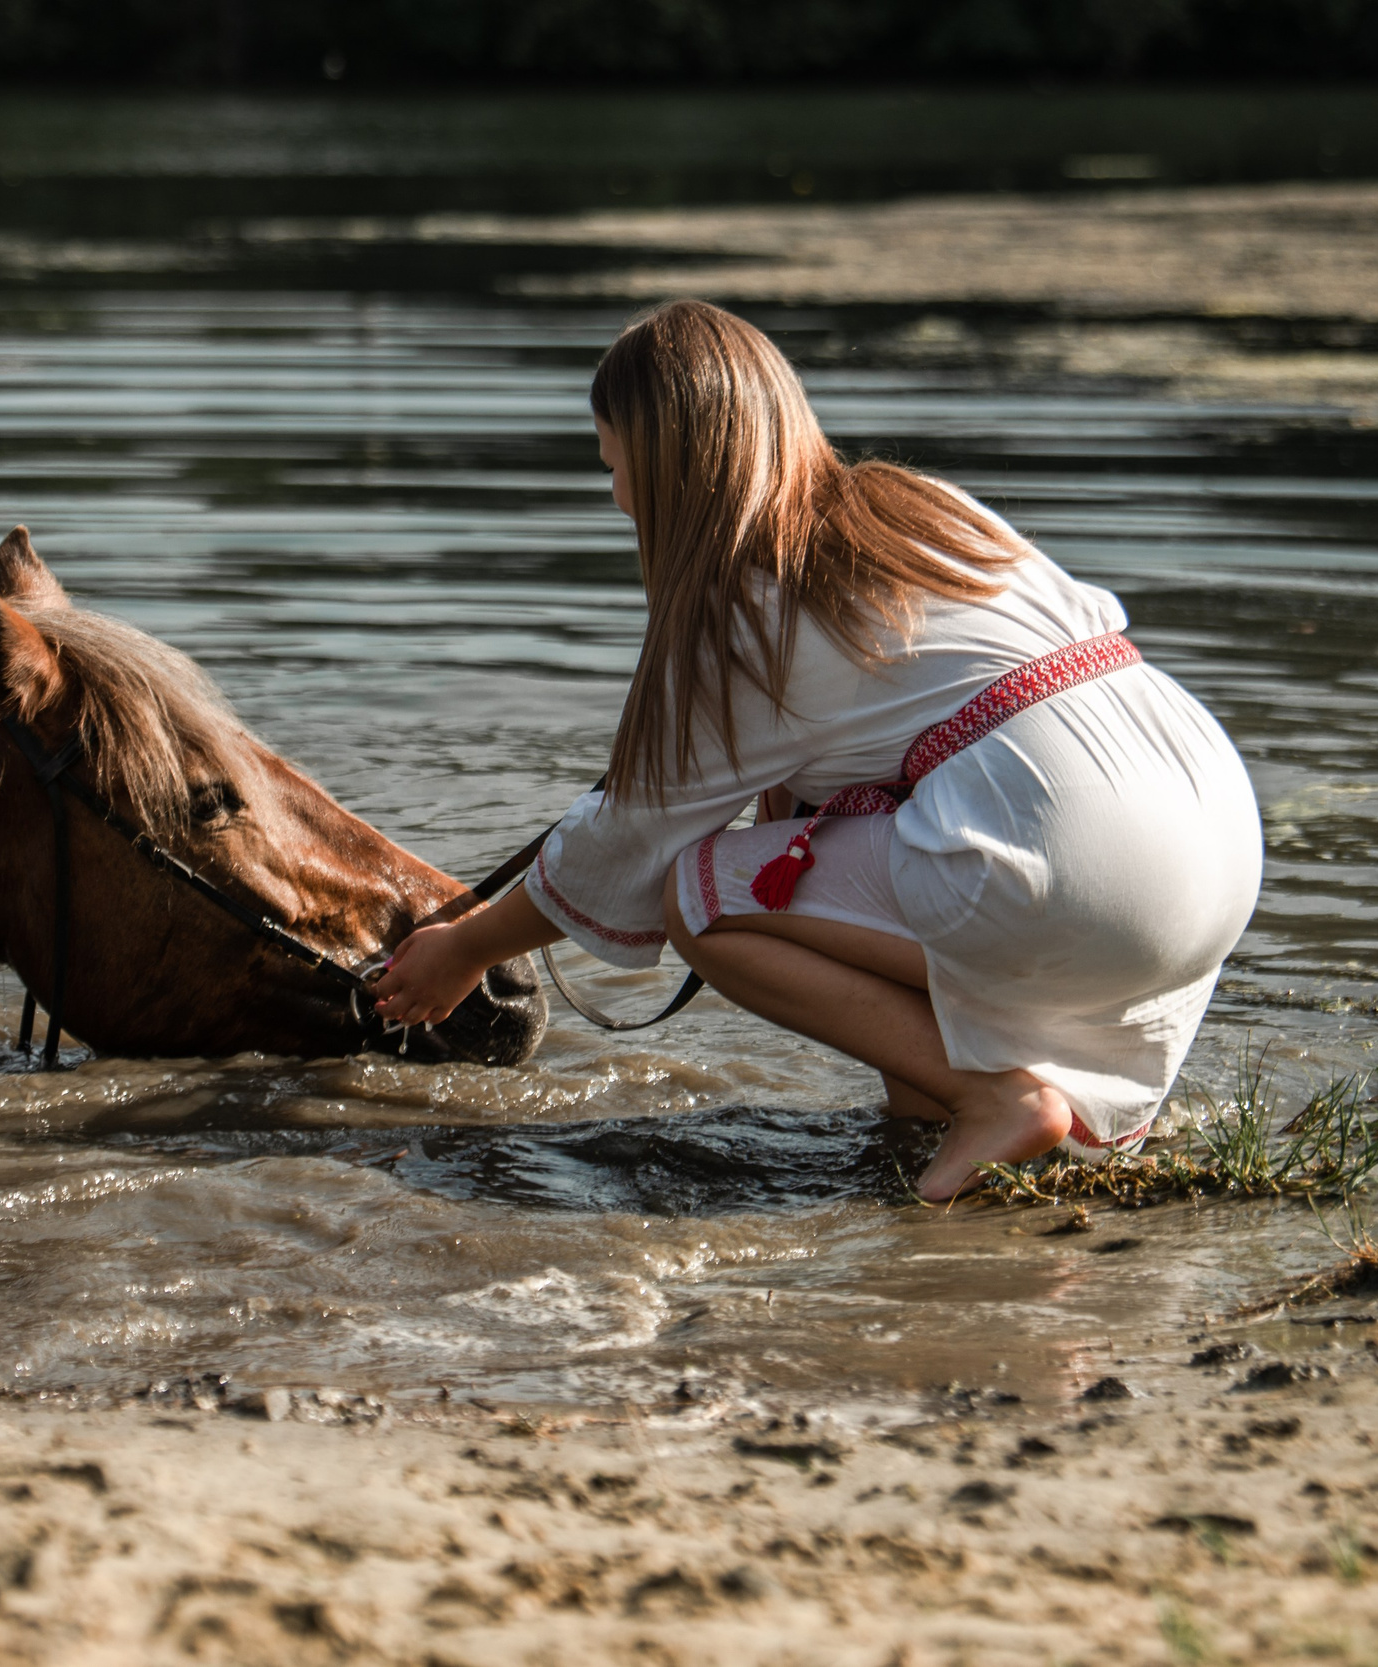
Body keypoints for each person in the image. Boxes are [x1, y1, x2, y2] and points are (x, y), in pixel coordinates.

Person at [370, 301, 1263, 1202]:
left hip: (1073, 864)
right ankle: (949, 1128)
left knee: (704, 893)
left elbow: (627, 837)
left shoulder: (749, 607)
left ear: (669, 466)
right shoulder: (916, 511)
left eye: (616, 466)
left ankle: (993, 1099)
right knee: (869, 874)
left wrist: (467, 948)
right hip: (1212, 835)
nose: (617, 497)